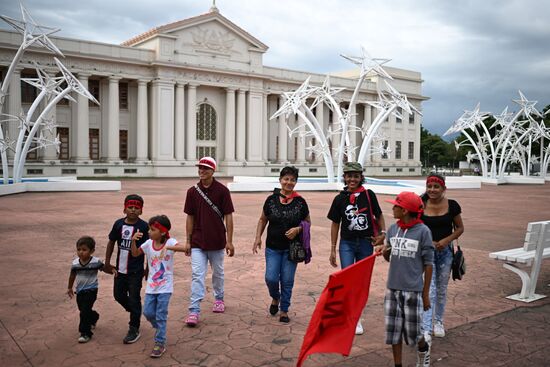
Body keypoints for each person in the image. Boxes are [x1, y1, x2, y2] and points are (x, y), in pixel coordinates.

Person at [375, 191, 434, 367]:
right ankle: (398, 364)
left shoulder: (423, 232)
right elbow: (390, 256)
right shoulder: (393, 229)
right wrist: (384, 251)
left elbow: (429, 264)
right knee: (394, 332)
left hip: (413, 290)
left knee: (414, 333)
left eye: (396, 206)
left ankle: (424, 348)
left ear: (406, 210)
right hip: (392, 288)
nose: (393, 208)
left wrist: (425, 294)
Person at [327, 161, 386, 334]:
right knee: (347, 279)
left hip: (366, 243)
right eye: (349, 176)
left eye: (356, 176)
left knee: (360, 281)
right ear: (344, 177)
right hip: (347, 243)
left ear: (361, 177)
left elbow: (379, 215)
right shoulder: (339, 199)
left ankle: (356, 315)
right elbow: (335, 224)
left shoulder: (369, 195)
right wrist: (332, 248)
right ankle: (350, 316)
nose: (352, 179)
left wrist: (382, 233)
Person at [253, 166, 311, 323]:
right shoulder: (271, 200)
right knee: (271, 278)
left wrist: (298, 229)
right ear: (280, 180)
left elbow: (307, 222)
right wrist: (258, 237)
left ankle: (284, 310)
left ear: (296, 182)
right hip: (272, 247)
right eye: (286, 179)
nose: (289, 182)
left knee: (287, 280)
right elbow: (263, 219)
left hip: (291, 250)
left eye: (292, 180)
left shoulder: (300, 202)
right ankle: (275, 298)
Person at [183, 157, 235, 327]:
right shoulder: (192, 192)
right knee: (197, 275)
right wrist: (188, 241)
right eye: (200, 168)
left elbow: (228, 216)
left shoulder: (222, 191)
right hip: (198, 241)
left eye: (206, 168)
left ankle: (219, 299)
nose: (202, 171)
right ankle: (194, 310)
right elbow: (190, 217)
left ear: (213, 171)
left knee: (218, 273)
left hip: (217, 241)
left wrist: (229, 241)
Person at [131, 215, 187, 358]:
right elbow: (135, 253)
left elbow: (187, 248)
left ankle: (160, 343)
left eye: (152, 229)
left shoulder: (170, 241)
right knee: (148, 312)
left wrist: (168, 247)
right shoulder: (148, 243)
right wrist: (133, 241)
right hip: (151, 287)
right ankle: (159, 327)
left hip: (165, 288)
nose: (149, 231)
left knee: (161, 315)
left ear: (162, 232)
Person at [421, 174, 464, 339]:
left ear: (443, 189)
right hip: (426, 253)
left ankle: (438, 321)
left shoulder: (452, 205)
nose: (432, 190)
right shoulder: (421, 204)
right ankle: (426, 327)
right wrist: (427, 241)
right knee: (429, 290)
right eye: (429, 186)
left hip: (445, 253)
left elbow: (460, 228)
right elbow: (414, 226)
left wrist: (446, 241)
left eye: (436, 187)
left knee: (441, 289)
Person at [104, 194, 149, 344]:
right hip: (120, 270)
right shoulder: (118, 224)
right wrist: (107, 263)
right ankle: (135, 310)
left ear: (141, 211)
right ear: (124, 208)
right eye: (130, 207)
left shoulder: (144, 227)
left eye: (137, 208)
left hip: (136, 271)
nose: (133, 210)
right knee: (118, 295)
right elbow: (111, 243)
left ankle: (134, 328)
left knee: (134, 297)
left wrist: (148, 268)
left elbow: (149, 248)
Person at [67, 236, 105, 343]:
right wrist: (70, 287)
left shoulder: (95, 262)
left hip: (91, 290)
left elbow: (104, 268)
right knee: (83, 309)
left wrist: (113, 270)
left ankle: (85, 333)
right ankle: (94, 317)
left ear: (91, 251)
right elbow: (72, 275)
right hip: (80, 291)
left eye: (84, 250)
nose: (81, 252)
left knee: (84, 311)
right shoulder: (75, 263)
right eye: (79, 249)